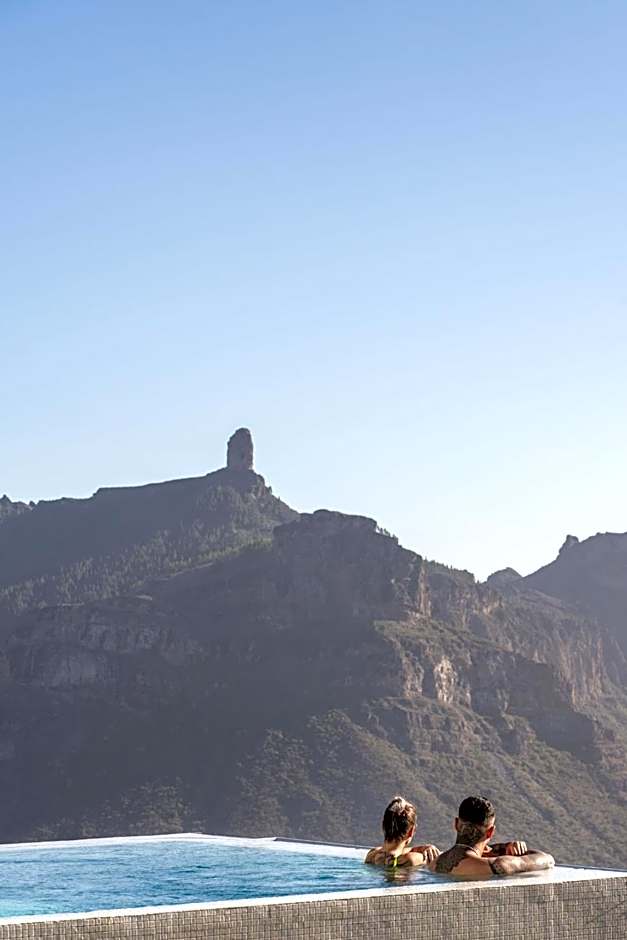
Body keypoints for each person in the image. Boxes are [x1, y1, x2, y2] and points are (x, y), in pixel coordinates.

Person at [430, 795, 554, 879]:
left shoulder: (435, 863)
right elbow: (547, 859)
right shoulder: (496, 866)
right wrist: (505, 849)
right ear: (490, 832)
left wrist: (500, 847)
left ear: (456, 824)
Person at [365, 796, 440, 868]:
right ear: (411, 831)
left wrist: (422, 848)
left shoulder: (371, 855)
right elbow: (436, 859)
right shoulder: (411, 859)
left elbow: (398, 850)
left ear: (383, 825)